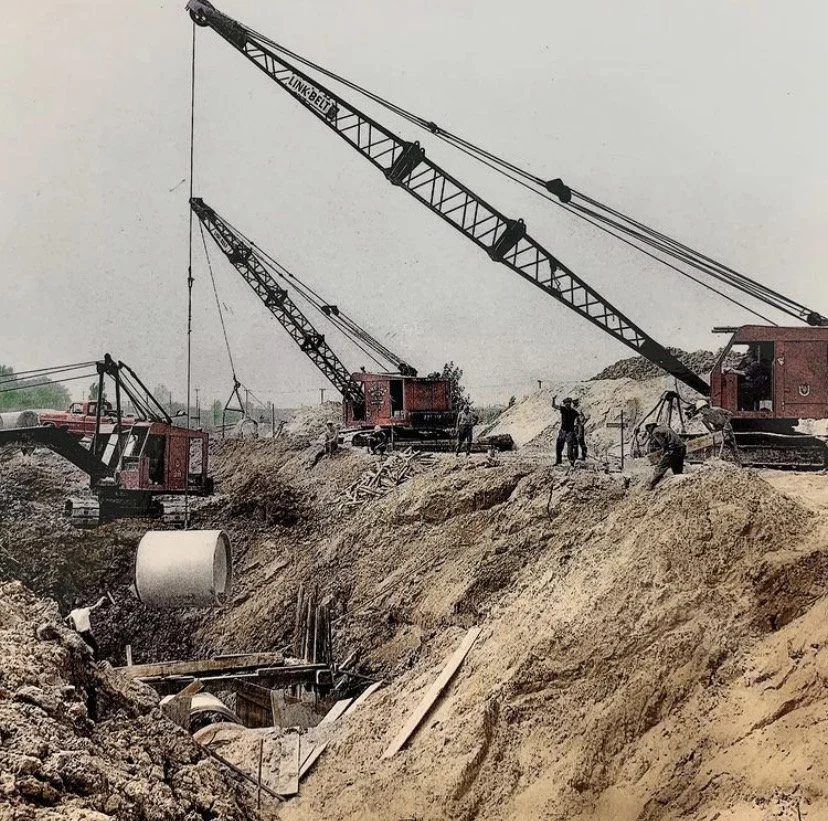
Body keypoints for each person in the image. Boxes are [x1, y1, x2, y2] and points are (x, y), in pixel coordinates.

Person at [645, 422, 687, 490]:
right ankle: (681, 487)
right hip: (681, 448)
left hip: (673, 449)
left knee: (661, 467)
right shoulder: (664, 428)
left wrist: (661, 452)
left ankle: (651, 485)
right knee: (677, 470)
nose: (647, 430)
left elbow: (663, 444)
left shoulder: (655, 432)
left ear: (650, 426)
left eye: (647, 428)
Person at [551, 396, 578, 466]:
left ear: (570, 403)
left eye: (568, 403)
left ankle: (571, 462)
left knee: (570, 449)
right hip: (563, 431)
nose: (567, 404)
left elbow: (579, 419)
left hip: (570, 432)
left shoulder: (574, 412)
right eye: (566, 403)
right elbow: (553, 406)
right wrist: (553, 399)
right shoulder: (563, 409)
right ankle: (558, 461)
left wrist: (577, 427)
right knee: (559, 447)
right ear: (565, 404)